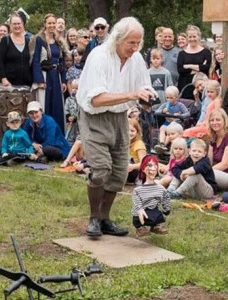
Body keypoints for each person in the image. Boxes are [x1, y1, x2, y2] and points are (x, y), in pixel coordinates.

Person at [77, 17, 154, 237]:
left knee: (119, 172)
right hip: (95, 117)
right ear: (118, 39)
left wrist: (148, 95)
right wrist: (131, 95)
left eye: (138, 43)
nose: (135, 47)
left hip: (120, 116)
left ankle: (104, 219)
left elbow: (143, 84)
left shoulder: (136, 58)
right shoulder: (99, 56)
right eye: (131, 42)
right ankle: (93, 219)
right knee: (101, 168)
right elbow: (96, 100)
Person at [32, 13, 67, 134]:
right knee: (45, 105)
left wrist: (63, 80)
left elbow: (61, 61)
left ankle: (58, 134)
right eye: (49, 23)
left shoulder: (58, 41)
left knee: (58, 106)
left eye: (53, 23)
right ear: (45, 24)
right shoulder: (39, 39)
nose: (52, 25)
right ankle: (45, 134)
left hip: (56, 76)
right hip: (46, 76)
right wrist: (40, 80)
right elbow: (36, 61)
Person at [132, 155, 171, 237]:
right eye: (149, 165)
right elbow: (137, 201)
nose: (152, 168)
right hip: (141, 211)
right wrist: (139, 209)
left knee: (157, 214)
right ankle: (140, 228)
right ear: (143, 169)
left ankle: (155, 226)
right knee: (138, 216)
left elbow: (165, 197)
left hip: (153, 210)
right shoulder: (138, 190)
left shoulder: (160, 188)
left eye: (155, 166)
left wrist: (166, 208)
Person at [177, 25, 212, 100]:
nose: (192, 39)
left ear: (199, 37)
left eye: (194, 36)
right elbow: (180, 70)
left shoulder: (206, 52)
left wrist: (189, 66)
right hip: (185, 87)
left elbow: (206, 68)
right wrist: (199, 67)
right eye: (190, 37)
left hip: (201, 88)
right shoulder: (182, 54)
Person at [0, 13, 32, 87]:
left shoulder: (28, 41)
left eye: (19, 23)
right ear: (10, 25)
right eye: (14, 24)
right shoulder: (5, 40)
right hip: (9, 84)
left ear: (22, 24)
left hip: (26, 84)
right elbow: (0, 61)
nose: (17, 26)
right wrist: (3, 79)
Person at [154, 86, 189, 152]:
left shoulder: (180, 105)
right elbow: (156, 112)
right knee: (162, 128)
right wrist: (162, 111)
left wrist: (180, 115)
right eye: (167, 98)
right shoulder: (165, 105)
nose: (169, 100)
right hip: (167, 122)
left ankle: (164, 145)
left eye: (171, 98)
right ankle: (161, 143)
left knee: (170, 131)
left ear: (176, 97)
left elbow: (187, 113)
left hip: (176, 123)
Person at [128, 118, 147, 184]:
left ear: (137, 132)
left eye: (132, 131)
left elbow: (144, 163)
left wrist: (132, 166)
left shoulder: (139, 144)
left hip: (135, 171)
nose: (129, 133)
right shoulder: (123, 143)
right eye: (127, 130)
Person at [64, 79, 80, 145]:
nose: (74, 90)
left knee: (78, 136)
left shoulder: (80, 100)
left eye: (76, 88)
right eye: (73, 88)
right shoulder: (68, 99)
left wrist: (75, 117)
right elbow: (66, 109)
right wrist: (68, 116)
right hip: (70, 122)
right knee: (69, 136)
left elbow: (80, 110)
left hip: (78, 122)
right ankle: (69, 149)